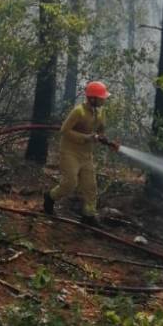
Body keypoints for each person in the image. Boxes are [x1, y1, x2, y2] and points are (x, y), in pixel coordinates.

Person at [43, 80, 119, 225]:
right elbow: (64, 130)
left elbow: (101, 129)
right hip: (70, 152)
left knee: (90, 186)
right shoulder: (79, 111)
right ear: (92, 98)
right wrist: (86, 137)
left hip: (86, 155)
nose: (104, 99)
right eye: (101, 97)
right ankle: (50, 197)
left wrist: (104, 138)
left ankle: (88, 215)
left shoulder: (101, 111)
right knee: (70, 183)